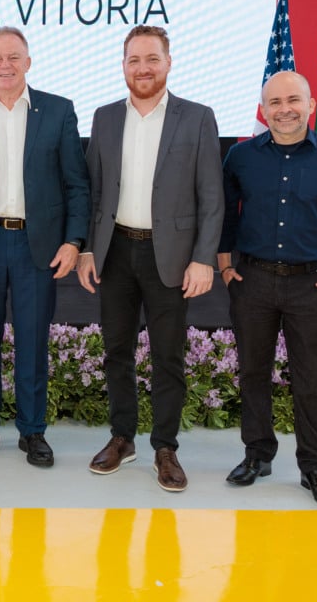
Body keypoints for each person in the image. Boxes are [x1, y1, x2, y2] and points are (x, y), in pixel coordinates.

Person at [76, 25, 224, 492]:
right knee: (116, 351)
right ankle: (123, 437)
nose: (143, 68)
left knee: (167, 356)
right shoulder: (103, 118)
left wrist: (203, 258)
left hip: (172, 258)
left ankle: (165, 446)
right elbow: (93, 190)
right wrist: (86, 248)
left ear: (168, 62)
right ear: (123, 65)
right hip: (115, 251)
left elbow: (212, 197)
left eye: (152, 59)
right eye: (134, 59)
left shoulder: (197, 118)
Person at [219, 70, 317, 507]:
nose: (284, 109)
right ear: (263, 110)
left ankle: (314, 467)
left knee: (311, 380)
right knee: (252, 372)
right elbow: (226, 215)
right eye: (274, 102)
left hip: (312, 283)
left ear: (309, 105)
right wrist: (226, 269)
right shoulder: (241, 158)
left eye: (292, 101)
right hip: (252, 282)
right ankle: (257, 454)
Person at [0, 26, 90, 468]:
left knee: (32, 341)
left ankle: (33, 431)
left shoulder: (59, 111)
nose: (4, 65)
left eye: (13, 57)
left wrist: (73, 240)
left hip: (37, 246)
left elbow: (77, 185)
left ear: (28, 62)